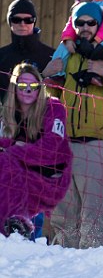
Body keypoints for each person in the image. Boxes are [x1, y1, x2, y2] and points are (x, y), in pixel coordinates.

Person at [46, 2, 103, 249]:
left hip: (97, 147)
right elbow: (42, 101)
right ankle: (63, 268)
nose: (85, 28)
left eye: (90, 23)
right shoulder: (65, 57)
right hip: (64, 147)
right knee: (63, 218)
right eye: (79, 23)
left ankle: (93, 272)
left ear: (100, 25)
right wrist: (45, 75)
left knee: (95, 220)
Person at [0, 63, 71, 236]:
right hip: (21, 176)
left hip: (51, 177)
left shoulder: (53, 107)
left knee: (6, 162)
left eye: (34, 86)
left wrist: (16, 150)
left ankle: (19, 225)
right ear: (14, 88)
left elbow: (52, 147)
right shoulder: (9, 114)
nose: (28, 90)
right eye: (23, 86)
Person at [0, 0, 54, 100]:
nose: (22, 24)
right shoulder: (2, 56)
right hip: (7, 114)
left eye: (28, 20)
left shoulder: (51, 56)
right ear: (10, 22)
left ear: (34, 22)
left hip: (42, 114)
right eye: (16, 20)